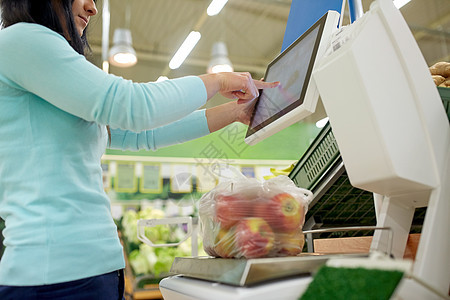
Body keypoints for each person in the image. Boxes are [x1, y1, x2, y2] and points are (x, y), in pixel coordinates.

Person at [0, 0, 279, 299]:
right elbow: (133, 105)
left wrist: (236, 113)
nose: (92, 8)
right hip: (56, 278)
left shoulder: (42, 67)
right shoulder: (22, 40)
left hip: (85, 273)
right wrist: (218, 80)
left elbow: (143, 133)